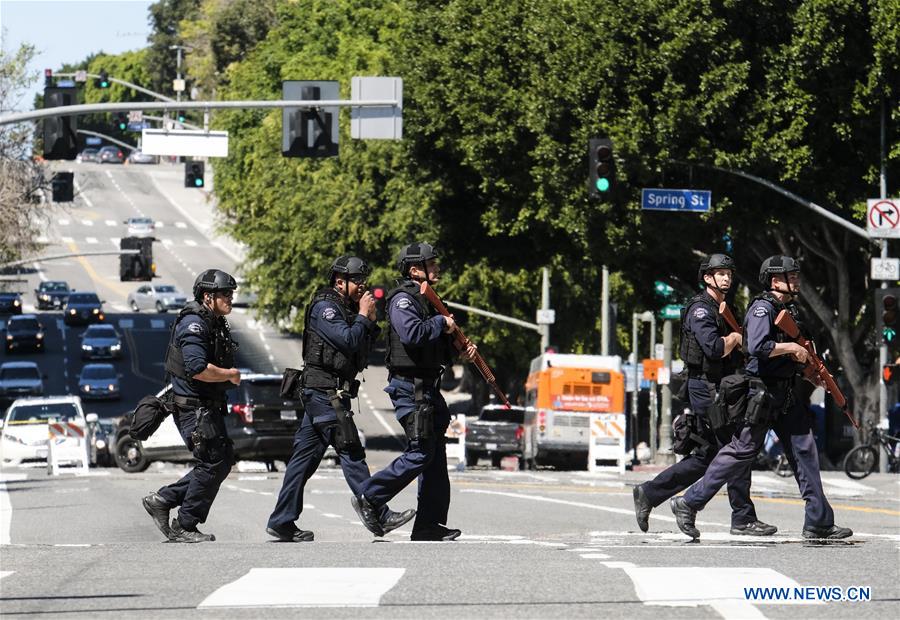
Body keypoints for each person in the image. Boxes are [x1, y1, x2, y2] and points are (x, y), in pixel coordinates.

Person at [672, 256, 852, 540]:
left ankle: (818, 520)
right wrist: (791, 347)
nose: (796, 280)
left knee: (805, 451)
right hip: (763, 393)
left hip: (786, 393)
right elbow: (757, 346)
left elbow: (793, 357)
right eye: (789, 276)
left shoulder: (788, 310)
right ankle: (689, 501)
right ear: (774, 280)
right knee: (741, 451)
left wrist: (810, 374)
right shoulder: (761, 308)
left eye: (795, 276)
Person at [266, 256, 415, 541]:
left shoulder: (346, 308)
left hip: (329, 392)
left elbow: (362, 344)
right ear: (339, 282)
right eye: (357, 281)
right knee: (350, 448)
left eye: (363, 281)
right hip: (324, 392)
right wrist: (362, 315)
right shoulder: (325, 308)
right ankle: (378, 514)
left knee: (303, 461)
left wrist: (369, 321)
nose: (362, 286)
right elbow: (346, 340)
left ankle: (281, 520)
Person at [633, 254, 776, 536]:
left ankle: (649, 493)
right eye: (720, 273)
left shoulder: (726, 308)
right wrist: (735, 339)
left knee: (708, 456)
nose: (726, 278)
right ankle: (741, 517)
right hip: (705, 387)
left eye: (728, 274)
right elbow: (712, 348)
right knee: (736, 448)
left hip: (722, 386)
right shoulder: (701, 309)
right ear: (707, 277)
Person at [352, 242, 475, 541]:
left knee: (434, 458)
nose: (437, 268)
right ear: (414, 269)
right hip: (411, 389)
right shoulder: (403, 301)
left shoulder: (429, 302)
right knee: (420, 452)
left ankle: (428, 524)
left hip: (430, 389)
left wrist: (461, 350)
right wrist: (440, 323)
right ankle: (369, 496)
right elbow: (413, 333)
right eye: (430, 263)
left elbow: (435, 350)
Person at [141, 269, 241, 543]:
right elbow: (197, 368)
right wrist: (229, 375)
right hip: (192, 409)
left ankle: (163, 500)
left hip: (206, 406)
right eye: (225, 294)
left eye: (231, 293)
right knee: (211, 463)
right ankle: (185, 524)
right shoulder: (194, 323)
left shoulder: (214, 320)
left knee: (221, 463)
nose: (230, 298)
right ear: (208, 297)